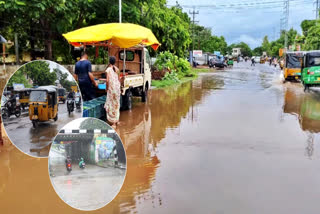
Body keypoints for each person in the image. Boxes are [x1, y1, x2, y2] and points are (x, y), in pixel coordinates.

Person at [104, 56, 121, 128]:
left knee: (111, 105)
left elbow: (107, 81)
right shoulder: (117, 69)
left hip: (112, 89)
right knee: (116, 104)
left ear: (109, 62)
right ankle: (117, 121)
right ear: (115, 62)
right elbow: (119, 79)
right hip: (117, 89)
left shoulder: (108, 69)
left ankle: (113, 123)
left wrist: (106, 88)